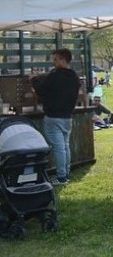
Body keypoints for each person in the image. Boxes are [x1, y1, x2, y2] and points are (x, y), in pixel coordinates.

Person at [30, 48, 81, 185]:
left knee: (59, 148)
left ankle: (61, 177)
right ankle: (66, 173)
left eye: (55, 60)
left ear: (63, 60)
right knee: (65, 146)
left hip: (53, 116)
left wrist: (34, 79)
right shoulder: (74, 77)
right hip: (67, 117)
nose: (53, 63)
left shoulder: (55, 76)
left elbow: (41, 90)